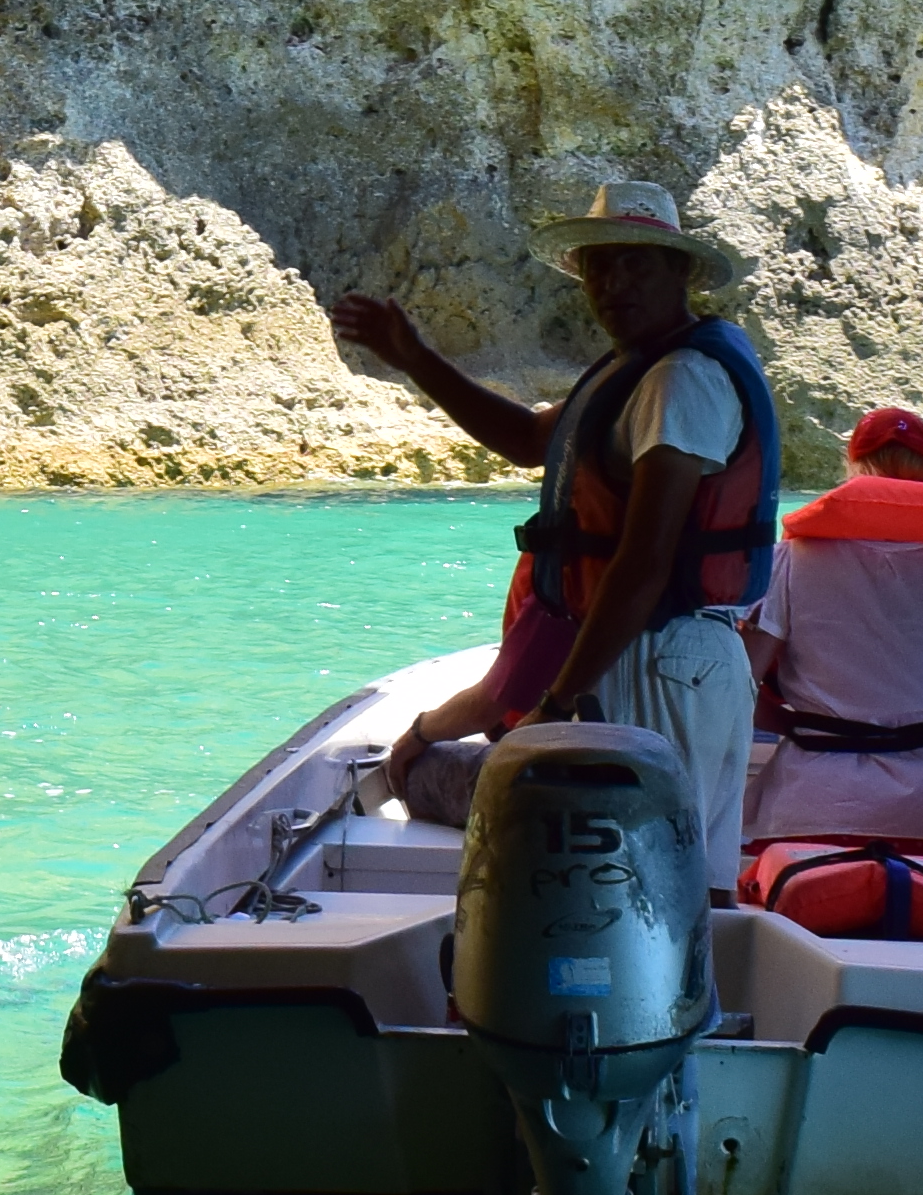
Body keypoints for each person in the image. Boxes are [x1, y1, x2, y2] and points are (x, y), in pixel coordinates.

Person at [322, 180, 783, 891]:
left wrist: (562, 699)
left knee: (627, 885)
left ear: (681, 273)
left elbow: (645, 562)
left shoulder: (681, 378)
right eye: (598, 265)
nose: (612, 283)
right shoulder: (641, 369)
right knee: (668, 884)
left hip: (655, 654)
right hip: (666, 656)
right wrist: (414, 357)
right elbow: (530, 439)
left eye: (635, 263)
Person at [741, 405, 923, 852]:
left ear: (854, 470)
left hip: (813, 806)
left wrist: (795, 726)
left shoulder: (790, 563)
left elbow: (734, 691)